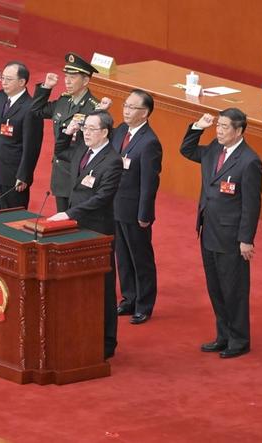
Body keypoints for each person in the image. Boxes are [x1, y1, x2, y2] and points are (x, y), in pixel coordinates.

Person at [180, 108, 262, 359]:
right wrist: (198, 127)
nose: (219, 131)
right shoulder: (214, 149)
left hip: (231, 236)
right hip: (208, 229)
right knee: (215, 287)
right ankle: (223, 335)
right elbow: (187, 150)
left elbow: (251, 205)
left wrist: (246, 239)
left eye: (225, 127)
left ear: (239, 130)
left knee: (233, 289)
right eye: (218, 126)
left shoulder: (249, 161)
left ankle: (239, 340)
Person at [48, 110, 122, 359]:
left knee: (102, 286)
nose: (86, 133)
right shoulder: (82, 149)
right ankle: (83, 334)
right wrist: (66, 132)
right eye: (84, 128)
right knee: (80, 283)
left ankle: (106, 341)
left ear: (105, 132)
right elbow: (60, 152)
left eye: (91, 129)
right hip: (77, 228)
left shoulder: (112, 161)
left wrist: (69, 214)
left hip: (97, 231)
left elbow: (102, 198)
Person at [32, 52, 110, 212]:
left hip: (79, 174)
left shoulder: (94, 108)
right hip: (61, 173)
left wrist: (101, 113)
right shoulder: (63, 101)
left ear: (85, 80)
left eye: (72, 77)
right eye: (66, 76)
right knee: (62, 219)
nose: (67, 81)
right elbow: (36, 111)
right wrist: (46, 87)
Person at [112, 90, 163, 325]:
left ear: (145, 113)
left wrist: (145, 214)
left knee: (140, 258)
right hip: (115, 205)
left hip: (134, 210)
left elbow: (149, 183)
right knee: (122, 255)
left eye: (132, 107)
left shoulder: (150, 142)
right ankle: (129, 297)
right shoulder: (121, 130)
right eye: (125, 105)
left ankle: (144, 304)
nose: (126, 110)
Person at [0, 61, 43, 209]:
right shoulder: (1, 97)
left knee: (12, 217)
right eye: (3, 78)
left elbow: (32, 147)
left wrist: (24, 176)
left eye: (9, 79)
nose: (4, 82)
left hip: (14, 174)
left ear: (22, 82)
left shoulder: (30, 108)